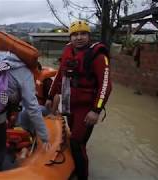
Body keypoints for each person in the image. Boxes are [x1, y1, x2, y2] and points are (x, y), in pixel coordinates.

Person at [45, 20, 112, 180]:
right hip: (70, 105)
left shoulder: (98, 56)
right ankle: (74, 165)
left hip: (87, 107)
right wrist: (49, 96)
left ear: (89, 36)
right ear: (70, 37)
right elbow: (59, 76)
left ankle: (83, 176)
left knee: (77, 142)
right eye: (75, 34)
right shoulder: (68, 51)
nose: (79, 37)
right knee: (74, 138)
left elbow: (105, 86)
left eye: (83, 34)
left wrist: (96, 110)